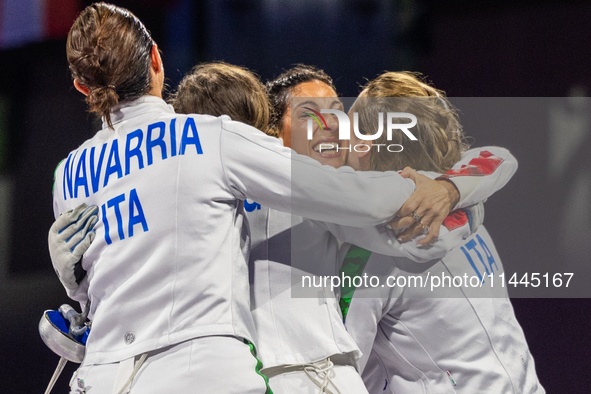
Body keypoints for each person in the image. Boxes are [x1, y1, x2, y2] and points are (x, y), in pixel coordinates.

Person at [51, 5, 461, 393]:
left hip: (100, 376)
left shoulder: (67, 175)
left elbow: (99, 292)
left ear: (80, 85)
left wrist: (75, 284)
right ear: (156, 60)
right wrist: (441, 188)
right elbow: (353, 197)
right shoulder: (209, 137)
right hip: (201, 373)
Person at [340, 71, 544, 393]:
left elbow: (342, 372)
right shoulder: (469, 207)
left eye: (349, 133)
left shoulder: (376, 248)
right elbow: (497, 158)